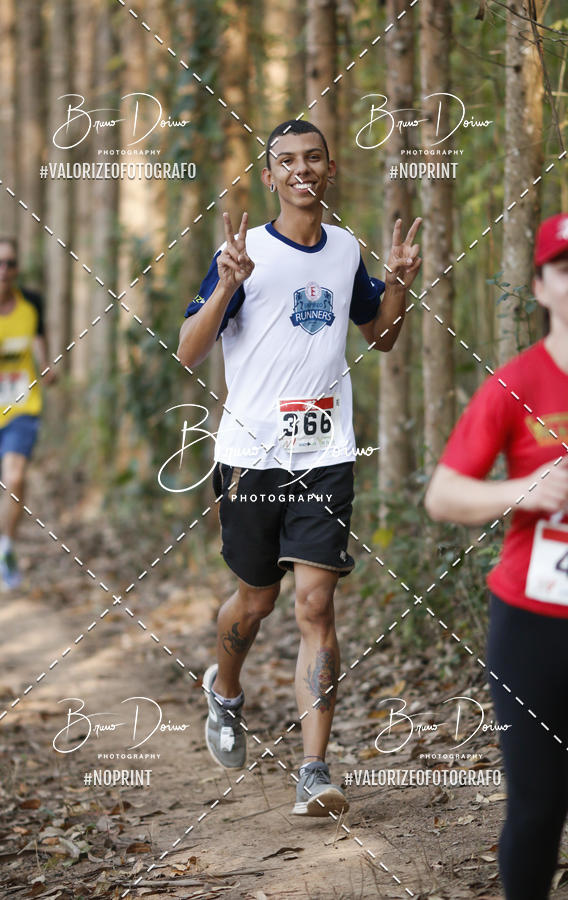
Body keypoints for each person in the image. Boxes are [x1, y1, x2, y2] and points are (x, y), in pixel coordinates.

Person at [178, 119, 422, 816]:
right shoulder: (244, 251)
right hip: (251, 459)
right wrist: (226, 286)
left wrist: (399, 285)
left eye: (313, 157)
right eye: (287, 161)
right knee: (256, 602)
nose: (302, 169)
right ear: (270, 175)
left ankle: (314, 768)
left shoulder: (346, 250)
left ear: (331, 167)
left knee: (317, 604)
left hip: (325, 455)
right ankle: (224, 689)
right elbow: (190, 351)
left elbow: (381, 338)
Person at [425, 212, 568, 898]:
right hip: (531, 622)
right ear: (540, 286)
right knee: (538, 809)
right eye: (565, 272)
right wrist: (523, 490)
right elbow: (443, 496)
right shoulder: (515, 384)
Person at [0, 235, 54, 597]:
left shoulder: (31, 303)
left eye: (10, 263)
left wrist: (49, 368)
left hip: (21, 409)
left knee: (16, 476)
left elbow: (40, 343)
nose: (4, 270)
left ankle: (5, 546)